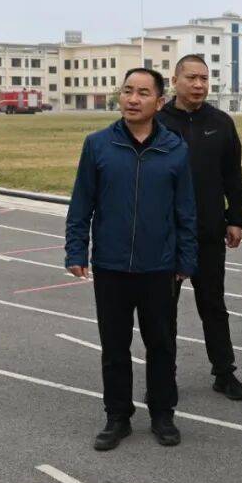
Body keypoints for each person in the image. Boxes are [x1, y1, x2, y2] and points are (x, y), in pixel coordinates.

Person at [65, 67, 197, 450]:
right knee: (114, 347)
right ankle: (117, 417)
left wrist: (186, 259)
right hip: (111, 265)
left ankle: (163, 415)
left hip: (159, 267)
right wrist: (76, 249)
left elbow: (185, 210)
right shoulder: (98, 145)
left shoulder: (175, 149)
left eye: (143, 93)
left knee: (162, 345)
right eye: (127, 91)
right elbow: (81, 203)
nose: (133, 99)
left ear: (160, 101)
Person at [157, 55, 242, 401]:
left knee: (213, 304)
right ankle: (164, 375)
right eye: (191, 78)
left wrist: (235, 217)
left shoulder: (221, 123)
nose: (199, 85)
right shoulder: (158, 122)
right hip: (166, 234)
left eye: (204, 79)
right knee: (163, 310)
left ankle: (224, 372)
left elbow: (233, 174)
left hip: (209, 231)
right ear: (175, 81)